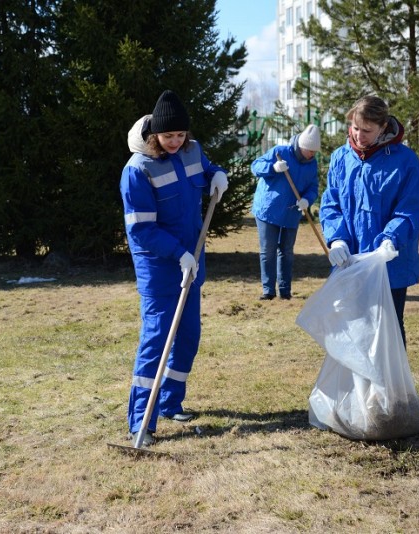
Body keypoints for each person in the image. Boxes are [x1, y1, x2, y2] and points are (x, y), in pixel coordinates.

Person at [119, 90, 229, 446]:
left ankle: (169, 402)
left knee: (188, 335)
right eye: (169, 137)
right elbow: (141, 228)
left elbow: (205, 168)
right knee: (157, 340)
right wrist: (178, 254)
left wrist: (217, 175)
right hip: (159, 265)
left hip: (192, 259)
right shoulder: (138, 170)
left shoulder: (191, 150)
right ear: (154, 134)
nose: (175, 142)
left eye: (181, 135)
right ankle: (141, 421)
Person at [319, 95, 419, 345]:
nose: (359, 135)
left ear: (383, 127)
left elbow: (409, 208)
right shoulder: (340, 158)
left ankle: (389, 384)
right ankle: (358, 384)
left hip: (389, 262)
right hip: (351, 261)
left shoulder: (405, 161)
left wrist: (390, 240)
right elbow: (332, 203)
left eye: (367, 130)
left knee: (388, 326)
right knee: (353, 326)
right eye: (355, 128)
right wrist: (337, 240)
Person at [250, 125, 320, 300]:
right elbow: (255, 167)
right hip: (269, 209)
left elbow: (313, 187)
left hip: (291, 212)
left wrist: (307, 200)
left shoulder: (312, 164)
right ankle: (268, 291)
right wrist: (273, 168)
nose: (312, 154)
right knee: (268, 250)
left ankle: (285, 291)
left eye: (314, 151)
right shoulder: (280, 151)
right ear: (301, 145)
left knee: (287, 250)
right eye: (309, 150)